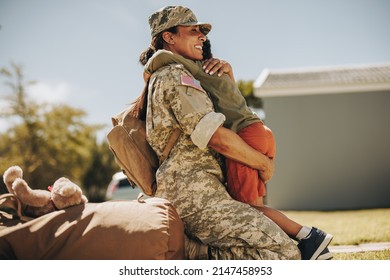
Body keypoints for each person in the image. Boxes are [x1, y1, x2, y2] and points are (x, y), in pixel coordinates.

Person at [133, 5, 322, 260]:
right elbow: (217, 138)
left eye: (202, 31)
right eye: (193, 31)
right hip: (194, 194)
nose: (202, 36)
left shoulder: (174, 74)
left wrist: (228, 78)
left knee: (278, 244)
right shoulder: (173, 74)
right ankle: (191, 255)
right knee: (284, 251)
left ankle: (192, 252)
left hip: (202, 191)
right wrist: (263, 163)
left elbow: (232, 110)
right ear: (169, 36)